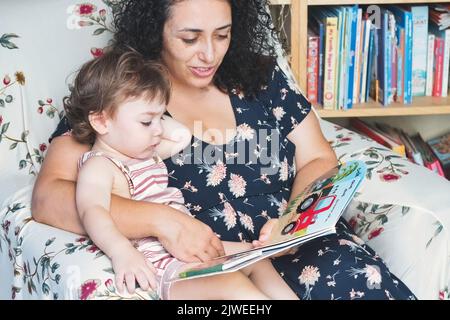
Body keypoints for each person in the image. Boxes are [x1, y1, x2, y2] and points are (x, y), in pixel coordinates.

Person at [32, 0, 416, 300]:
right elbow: (50, 196)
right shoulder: (129, 96)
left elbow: (318, 157)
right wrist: (160, 220)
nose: (209, 54)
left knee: (361, 280)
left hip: (299, 251)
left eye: (222, 34)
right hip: (217, 267)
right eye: (190, 38)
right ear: (156, 32)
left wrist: (290, 224)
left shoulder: (261, 77)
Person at [63, 48, 298, 300]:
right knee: (231, 283)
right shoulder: (99, 166)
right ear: (101, 122)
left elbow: (181, 136)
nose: (158, 130)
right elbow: (92, 212)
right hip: (165, 265)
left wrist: (152, 116)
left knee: (256, 260)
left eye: (161, 118)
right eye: (146, 122)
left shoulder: (143, 152)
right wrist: (121, 251)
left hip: (186, 250)